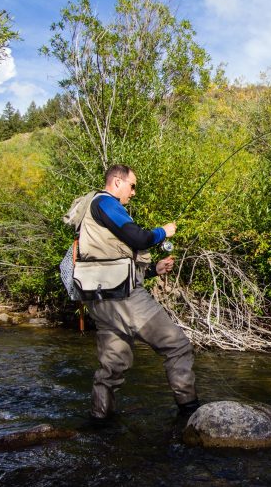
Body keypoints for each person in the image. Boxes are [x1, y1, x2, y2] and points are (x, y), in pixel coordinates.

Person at [66, 164, 200, 422]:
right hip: (124, 299)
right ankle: (190, 414)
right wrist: (164, 232)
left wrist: (153, 270)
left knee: (111, 368)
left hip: (99, 300)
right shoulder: (106, 203)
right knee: (178, 346)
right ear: (117, 182)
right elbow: (138, 238)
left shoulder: (90, 209)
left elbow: (109, 262)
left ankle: (99, 422)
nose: (134, 192)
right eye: (133, 185)